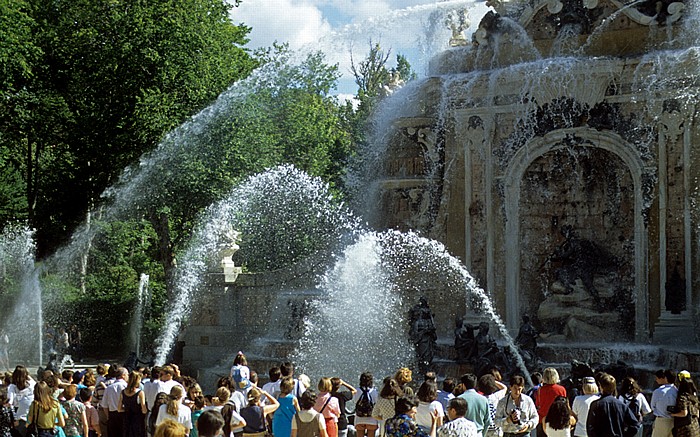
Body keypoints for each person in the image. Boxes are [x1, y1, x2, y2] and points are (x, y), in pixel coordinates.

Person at [534, 368, 566, 437]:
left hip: (542, 420)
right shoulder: (561, 389)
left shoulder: (540, 390)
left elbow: (537, 404)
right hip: (557, 421)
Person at [8, 365, 36, 436]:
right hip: (30, 415)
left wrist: (14, 419)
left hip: (18, 416)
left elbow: (9, 403)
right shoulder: (31, 386)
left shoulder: (12, 387)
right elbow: (33, 381)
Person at [119, 370, 147, 437]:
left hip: (127, 419)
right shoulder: (140, 393)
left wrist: (126, 409)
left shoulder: (123, 392)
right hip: (137, 419)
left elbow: (119, 409)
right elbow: (144, 410)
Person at [650, 369, 677, 437]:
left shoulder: (658, 391)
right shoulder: (677, 391)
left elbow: (652, 406)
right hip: (675, 421)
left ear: (665, 378)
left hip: (661, 420)